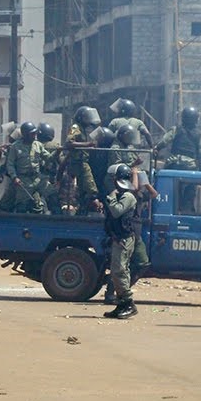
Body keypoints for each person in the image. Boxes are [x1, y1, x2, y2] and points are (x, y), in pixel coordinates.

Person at [102, 164, 139, 320]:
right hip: (118, 238)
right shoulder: (120, 195)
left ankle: (128, 303)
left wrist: (110, 197)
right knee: (116, 271)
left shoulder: (128, 196)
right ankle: (121, 303)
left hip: (125, 239)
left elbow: (117, 211)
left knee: (120, 271)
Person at [62, 106, 102, 214]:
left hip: (82, 160)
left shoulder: (84, 129)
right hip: (78, 162)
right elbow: (69, 143)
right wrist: (87, 144)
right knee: (91, 187)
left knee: (81, 190)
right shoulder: (75, 127)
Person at [6, 122, 48, 214]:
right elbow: (10, 164)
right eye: (32, 134)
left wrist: (59, 152)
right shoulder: (15, 147)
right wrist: (14, 177)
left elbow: (48, 157)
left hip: (38, 178)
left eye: (35, 133)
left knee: (50, 194)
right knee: (21, 205)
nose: (34, 135)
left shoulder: (38, 145)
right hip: (23, 180)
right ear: (25, 134)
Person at [154, 106, 201, 171]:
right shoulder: (200, 135)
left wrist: (157, 148)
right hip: (189, 166)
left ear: (183, 118)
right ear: (196, 119)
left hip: (173, 164)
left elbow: (164, 141)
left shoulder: (176, 129)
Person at [37, 122, 62, 214]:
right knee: (54, 203)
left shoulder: (34, 145)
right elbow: (61, 162)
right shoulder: (55, 146)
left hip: (35, 179)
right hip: (50, 179)